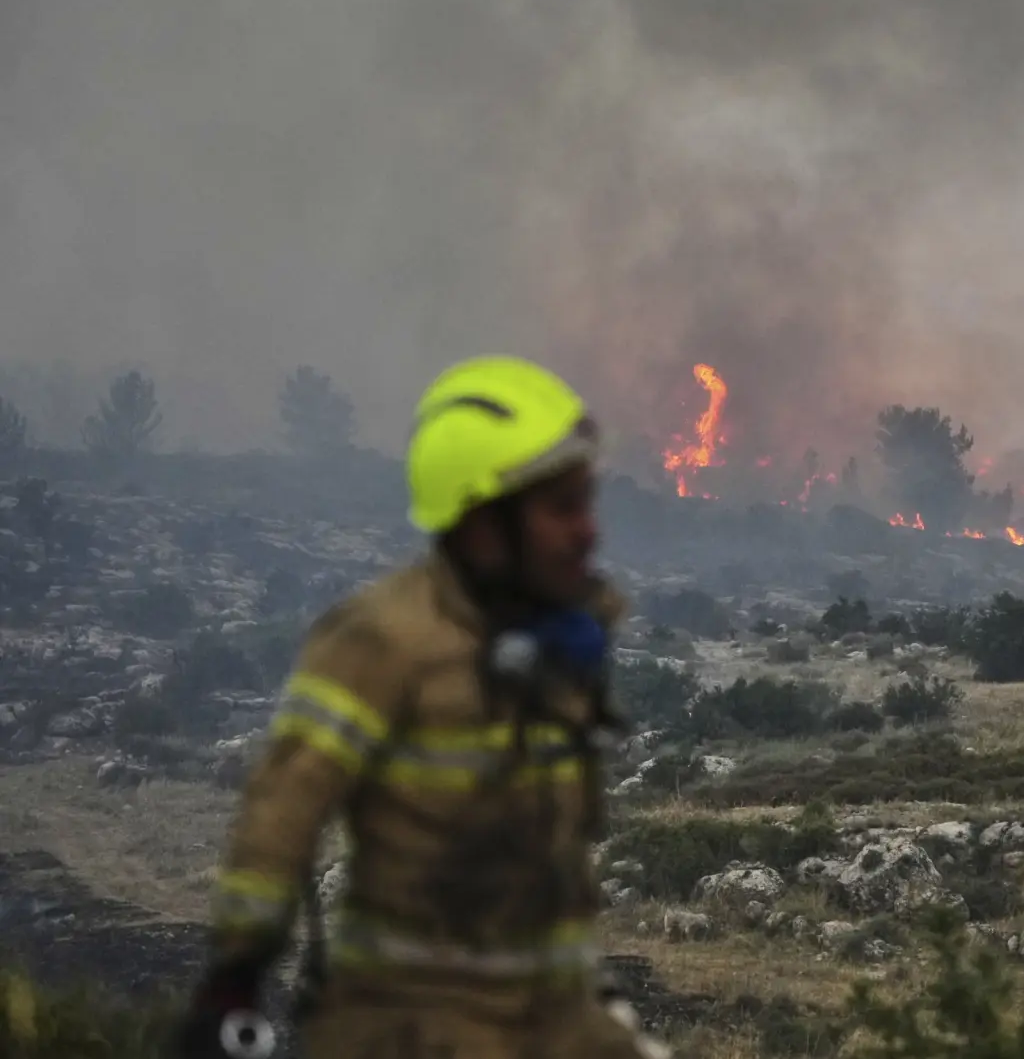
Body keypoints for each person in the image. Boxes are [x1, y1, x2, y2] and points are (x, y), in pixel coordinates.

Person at [172, 355, 666, 1059]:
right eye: (562, 509)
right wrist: (234, 981)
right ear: (482, 522)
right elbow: (280, 815)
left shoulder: (559, 648)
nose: (588, 532)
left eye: (586, 503)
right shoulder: (382, 640)